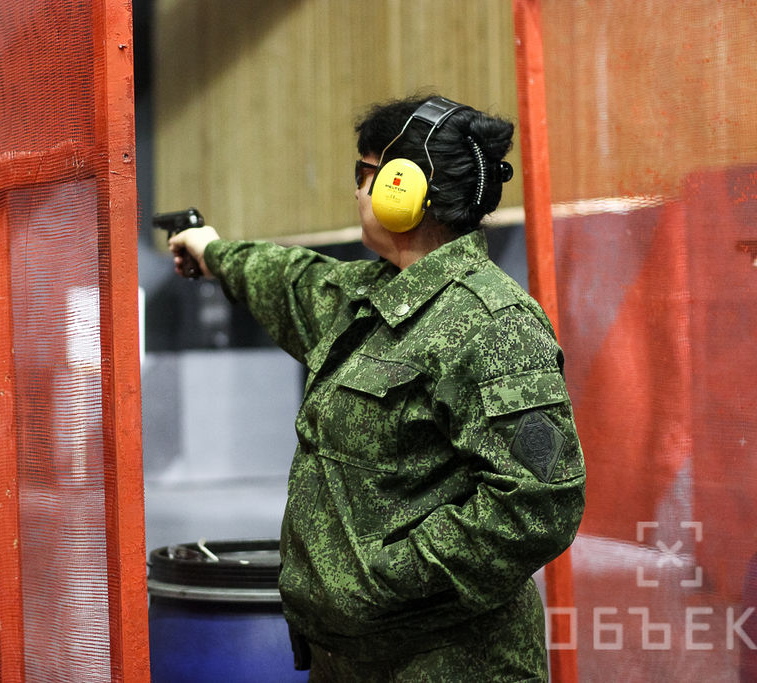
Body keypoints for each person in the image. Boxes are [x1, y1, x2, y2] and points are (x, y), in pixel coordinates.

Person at [169, 94, 585, 681]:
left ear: (402, 187)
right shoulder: (366, 298)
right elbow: (286, 278)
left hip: (448, 665)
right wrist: (210, 250)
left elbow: (540, 502)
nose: (358, 190)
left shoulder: (494, 324)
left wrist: (379, 579)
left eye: (364, 174)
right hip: (350, 660)